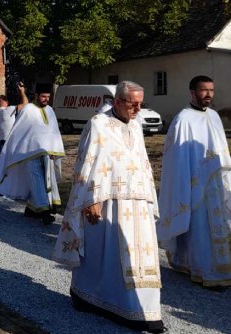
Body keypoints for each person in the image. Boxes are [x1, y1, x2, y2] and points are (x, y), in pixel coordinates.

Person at [53, 81, 164, 333]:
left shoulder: (135, 126)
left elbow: (142, 162)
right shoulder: (98, 124)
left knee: (140, 253)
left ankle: (145, 308)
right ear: (116, 102)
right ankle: (85, 295)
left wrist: (149, 196)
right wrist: (90, 199)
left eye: (140, 103)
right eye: (132, 103)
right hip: (107, 200)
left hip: (136, 200)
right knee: (103, 252)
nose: (137, 108)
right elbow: (87, 161)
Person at [157, 75, 231, 289]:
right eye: (203, 90)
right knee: (199, 227)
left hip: (216, 182)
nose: (208, 94)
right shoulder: (183, 119)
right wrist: (185, 183)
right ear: (192, 92)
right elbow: (176, 157)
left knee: (219, 226)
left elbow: (220, 149)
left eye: (211, 90)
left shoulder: (215, 117)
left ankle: (220, 268)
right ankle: (201, 269)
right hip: (194, 183)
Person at [0, 83, 63, 224]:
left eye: (48, 97)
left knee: (48, 180)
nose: (46, 99)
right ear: (36, 96)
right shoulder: (28, 110)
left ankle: (32, 210)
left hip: (48, 153)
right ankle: (44, 212)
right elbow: (19, 131)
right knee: (36, 179)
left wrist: (55, 149)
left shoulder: (50, 110)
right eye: (43, 96)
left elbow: (54, 132)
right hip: (30, 152)